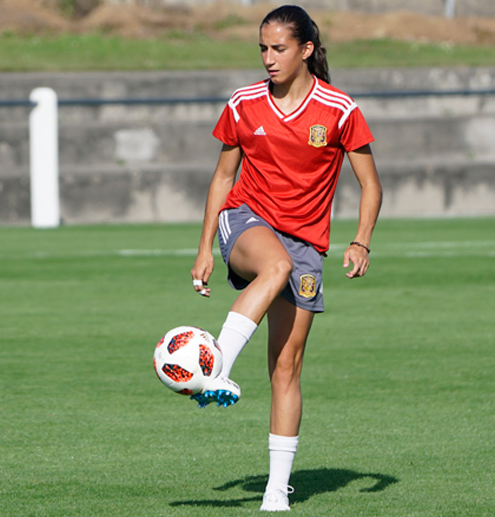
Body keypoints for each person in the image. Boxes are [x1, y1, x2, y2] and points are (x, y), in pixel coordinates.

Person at [190, 4, 382, 512]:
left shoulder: (339, 110)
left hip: (306, 246)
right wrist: (204, 247)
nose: (269, 58)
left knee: (286, 367)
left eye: (279, 49)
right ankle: (215, 364)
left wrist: (360, 240)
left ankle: (276, 491)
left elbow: (370, 184)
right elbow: (223, 178)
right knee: (275, 266)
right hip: (246, 221)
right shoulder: (243, 103)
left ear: (306, 50)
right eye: (263, 49)